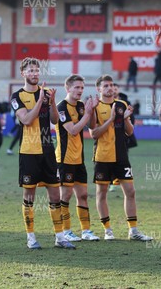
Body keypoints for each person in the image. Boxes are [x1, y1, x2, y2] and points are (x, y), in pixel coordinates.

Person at [11, 57, 75, 249]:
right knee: (29, 196)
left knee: (55, 196)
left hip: (48, 151)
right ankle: (31, 237)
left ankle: (60, 236)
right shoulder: (17, 96)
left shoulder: (46, 93)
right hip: (29, 151)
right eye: (30, 71)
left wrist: (52, 102)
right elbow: (27, 120)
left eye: (36, 71)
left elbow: (55, 120)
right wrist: (40, 101)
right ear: (23, 73)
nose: (34, 74)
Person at [89, 74, 153, 242]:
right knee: (101, 193)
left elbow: (130, 132)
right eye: (106, 86)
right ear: (99, 89)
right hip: (102, 156)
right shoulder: (95, 106)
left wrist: (125, 119)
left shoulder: (121, 105)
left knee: (130, 192)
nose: (110, 88)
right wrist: (110, 119)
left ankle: (133, 230)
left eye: (111, 85)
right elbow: (94, 133)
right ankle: (107, 230)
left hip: (121, 156)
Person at [55, 74, 100, 242]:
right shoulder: (61, 107)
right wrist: (88, 114)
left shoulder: (82, 106)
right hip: (64, 159)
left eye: (82, 87)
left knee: (82, 195)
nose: (80, 90)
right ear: (68, 88)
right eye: (77, 87)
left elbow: (92, 126)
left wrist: (92, 110)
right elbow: (73, 130)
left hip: (78, 159)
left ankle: (86, 231)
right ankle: (65, 231)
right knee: (65, 196)